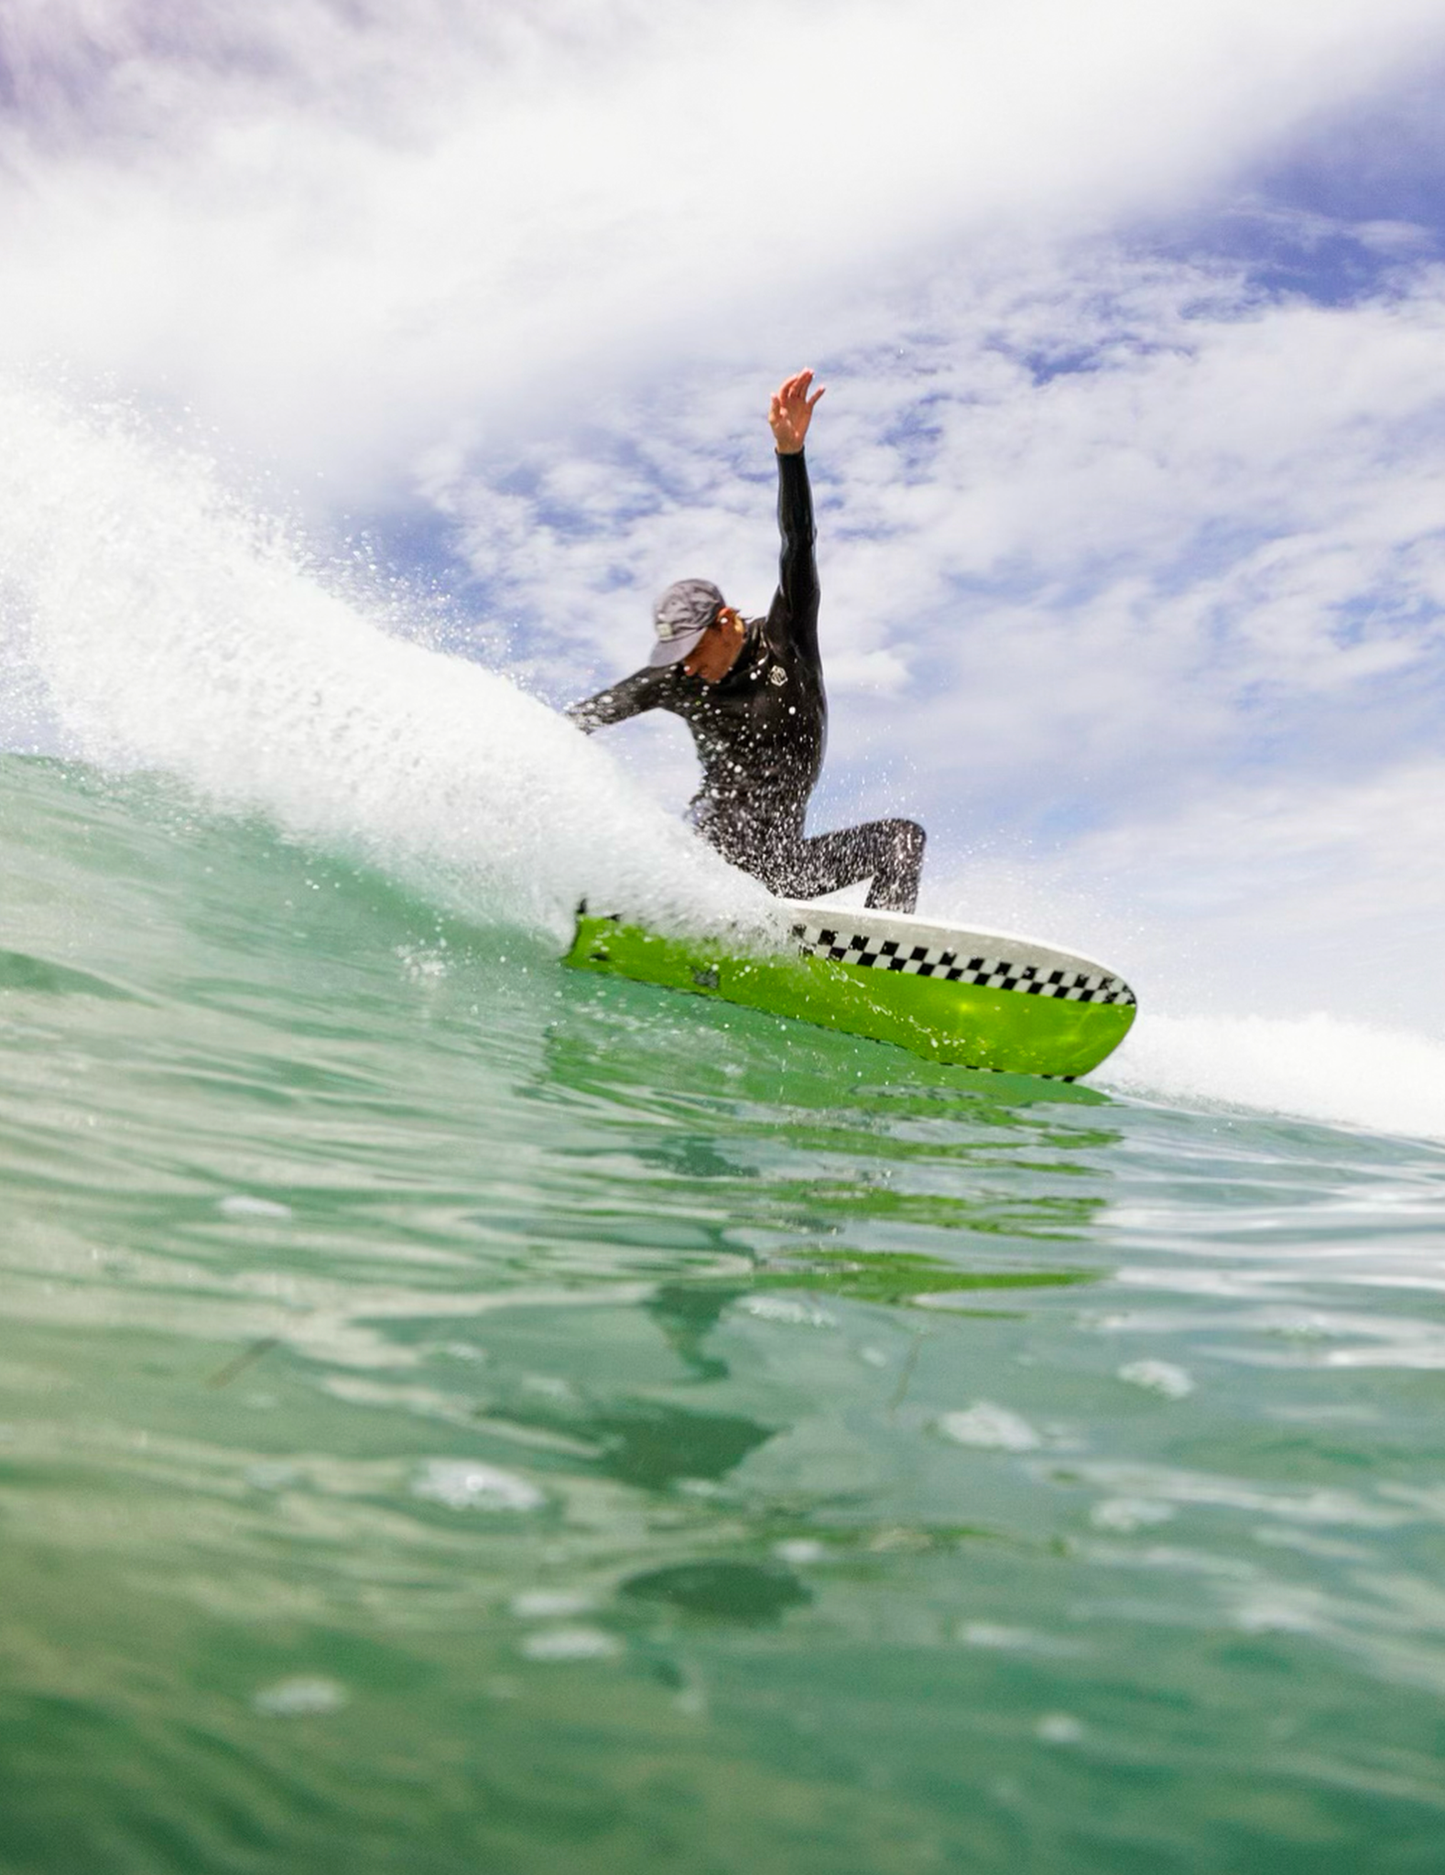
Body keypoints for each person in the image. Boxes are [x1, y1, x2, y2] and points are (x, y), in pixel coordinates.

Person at [566, 370, 926, 913]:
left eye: (690, 650)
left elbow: (797, 544)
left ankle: (874, 962)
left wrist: (790, 455)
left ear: (727, 621)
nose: (684, 668)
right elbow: (585, 718)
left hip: (779, 865)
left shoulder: (787, 641)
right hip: (708, 865)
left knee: (902, 841)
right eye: (673, 658)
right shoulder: (677, 681)